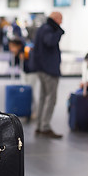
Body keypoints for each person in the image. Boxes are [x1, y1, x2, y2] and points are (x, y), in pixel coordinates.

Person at [32, 11, 64, 139]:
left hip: (42, 69)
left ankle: (40, 125)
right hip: (49, 70)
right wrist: (59, 32)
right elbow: (50, 42)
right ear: (55, 19)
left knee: (43, 97)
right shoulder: (48, 29)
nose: (62, 22)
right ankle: (45, 126)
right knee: (51, 98)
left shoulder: (42, 28)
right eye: (61, 19)